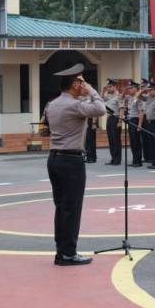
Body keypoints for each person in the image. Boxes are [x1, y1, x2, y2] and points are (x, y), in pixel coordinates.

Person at [44, 63, 106, 265]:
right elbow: (100, 109)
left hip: (54, 158)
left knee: (62, 207)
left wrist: (84, 93)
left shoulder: (52, 104)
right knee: (72, 207)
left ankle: (61, 250)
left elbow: (46, 128)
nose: (83, 85)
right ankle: (68, 253)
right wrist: (92, 91)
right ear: (73, 84)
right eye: (80, 82)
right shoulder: (74, 105)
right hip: (71, 161)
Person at [101, 79, 122, 165]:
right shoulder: (108, 95)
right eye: (108, 87)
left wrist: (120, 121)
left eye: (110, 87)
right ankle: (113, 158)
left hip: (116, 118)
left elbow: (121, 109)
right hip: (109, 118)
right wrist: (103, 90)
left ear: (114, 86)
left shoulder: (119, 96)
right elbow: (100, 100)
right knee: (111, 140)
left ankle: (117, 159)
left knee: (116, 139)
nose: (108, 88)